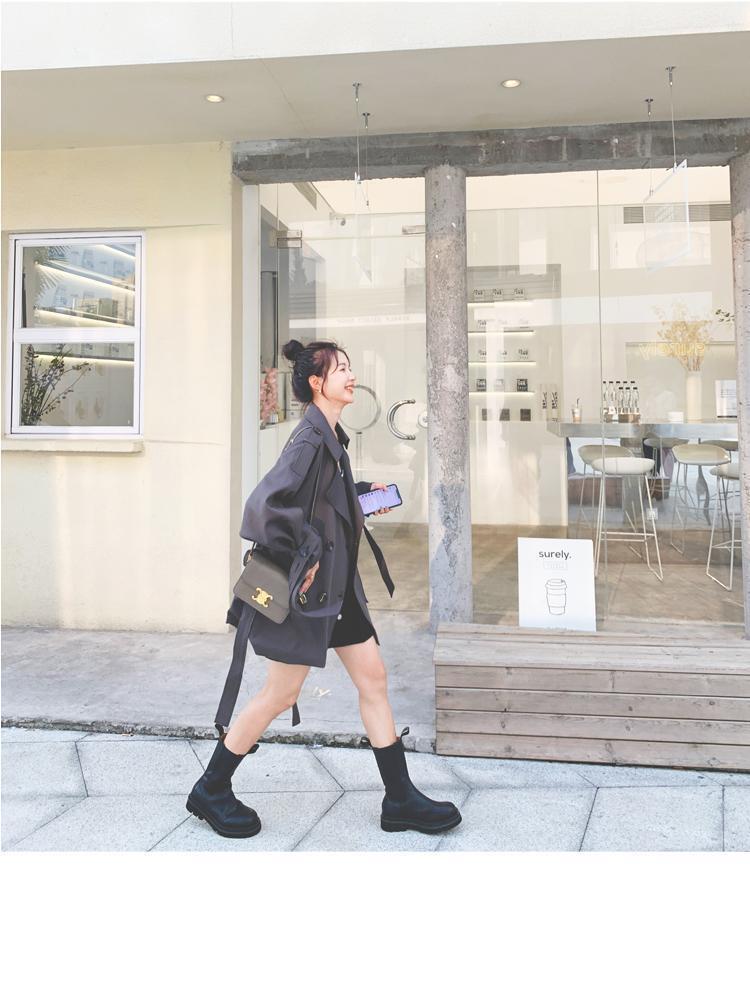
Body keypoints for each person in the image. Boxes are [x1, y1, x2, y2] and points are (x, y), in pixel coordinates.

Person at [186, 339, 462, 839]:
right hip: (311, 594)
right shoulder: (310, 440)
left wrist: (361, 497)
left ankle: (399, 798)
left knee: (373, 679)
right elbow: (264, 507)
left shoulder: (329, 434)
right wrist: (305, 554)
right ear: (317, 383)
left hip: (338, 592)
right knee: (280, 692)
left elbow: (318, 501)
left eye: (350, 368)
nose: (351, 376)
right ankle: (212, 787)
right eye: (341, 370)